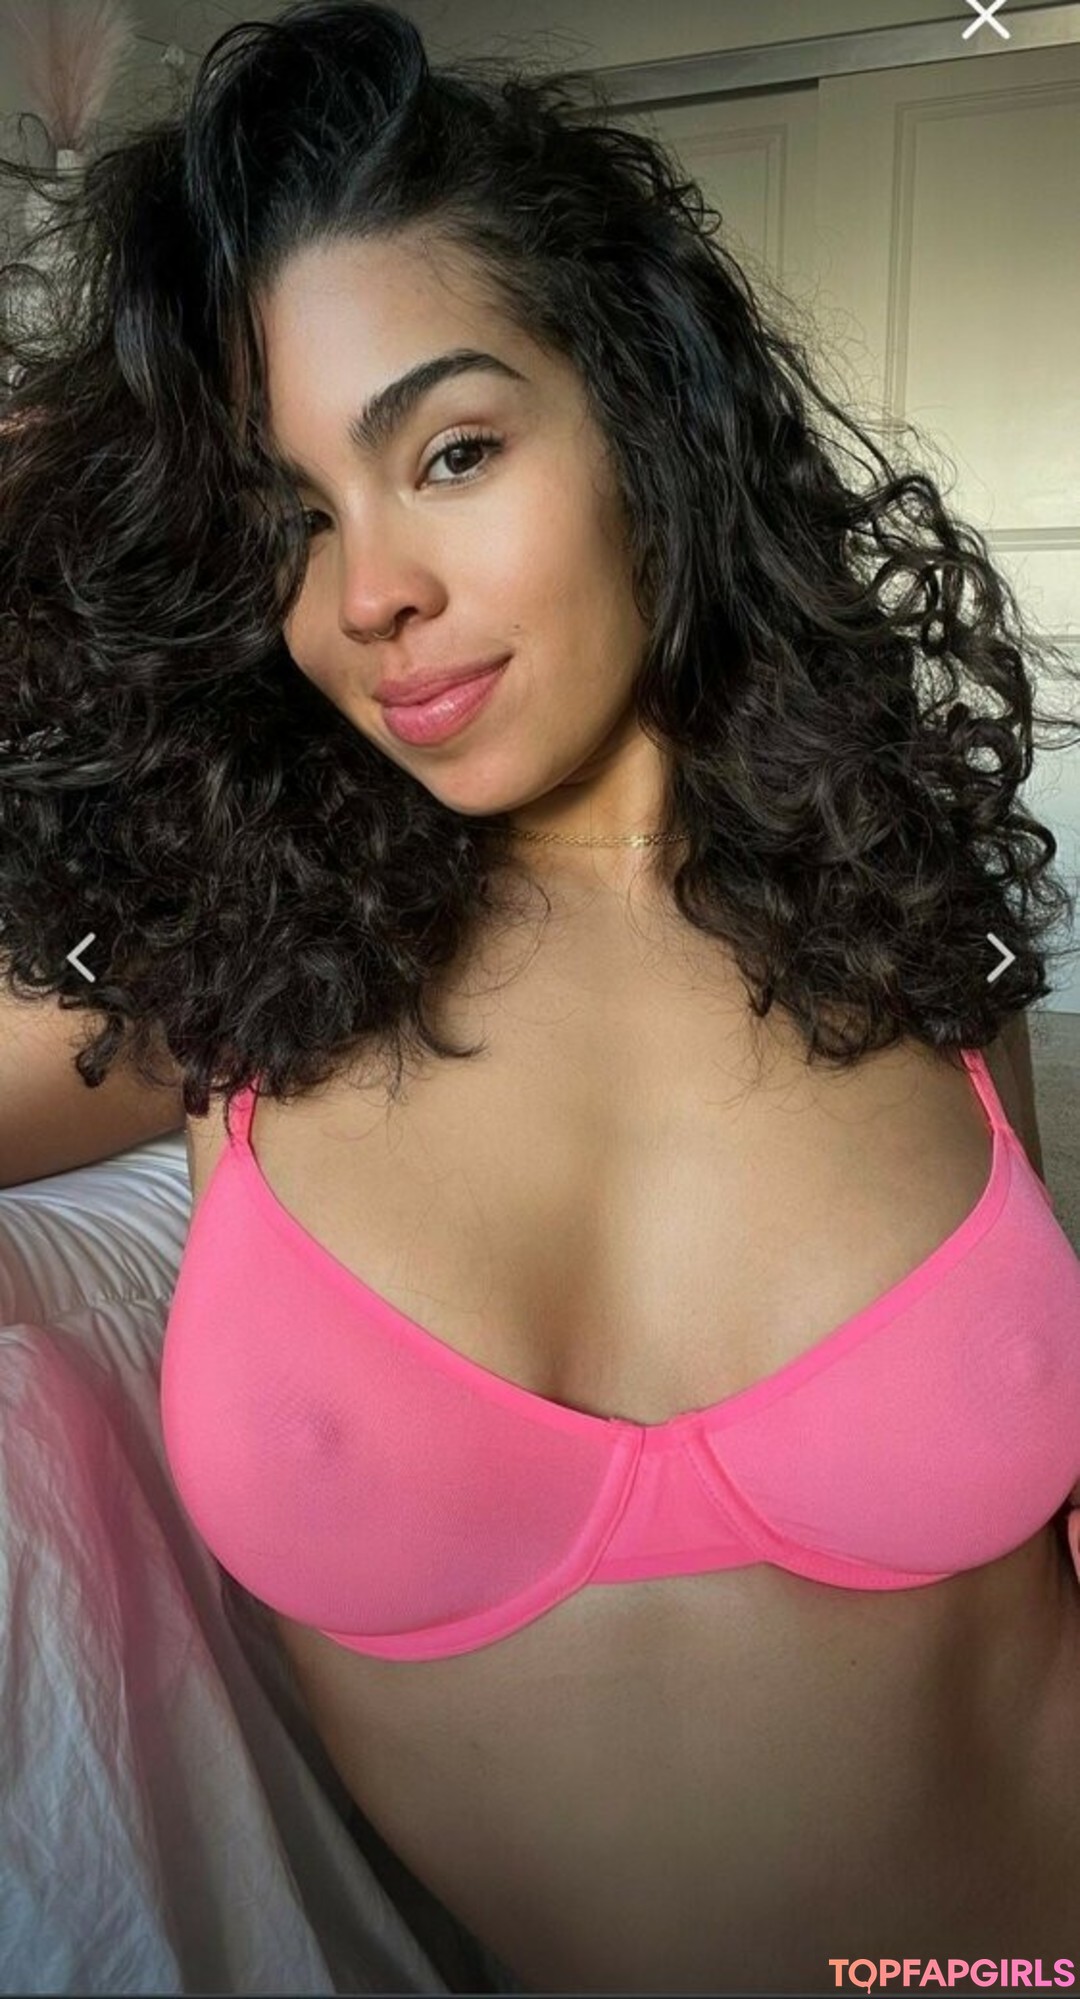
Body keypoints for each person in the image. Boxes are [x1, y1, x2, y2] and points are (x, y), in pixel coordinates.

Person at [2, 2, 1080, 1991]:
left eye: (454, 452)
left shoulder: (905, 921)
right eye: (286, 517)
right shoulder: (236, 988)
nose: (372, 592)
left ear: (645, 423)